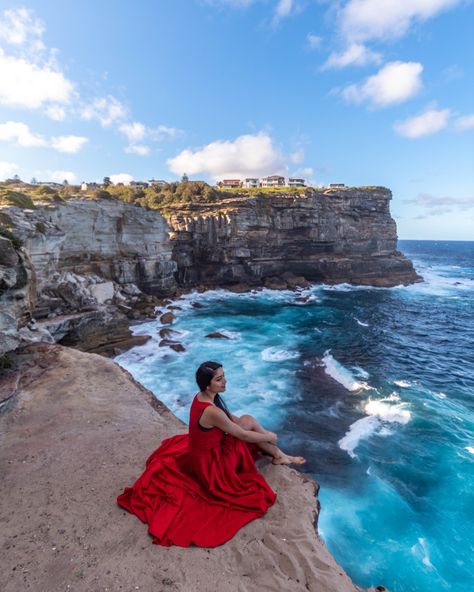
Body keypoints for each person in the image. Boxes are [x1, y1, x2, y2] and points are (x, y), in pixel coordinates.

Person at [117, 361, 305, 547]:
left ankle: (280, 455)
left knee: (247, 419)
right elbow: (242, 434)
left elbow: (233, 420)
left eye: (224, 377)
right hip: (212, 466)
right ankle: (281, 455)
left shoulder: (201, 397)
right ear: (208, 384)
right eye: (219, 379)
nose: (225, 382)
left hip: (201, 455)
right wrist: (269, 435)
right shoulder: (211, 412)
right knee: (249, 425)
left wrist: (255, 429)